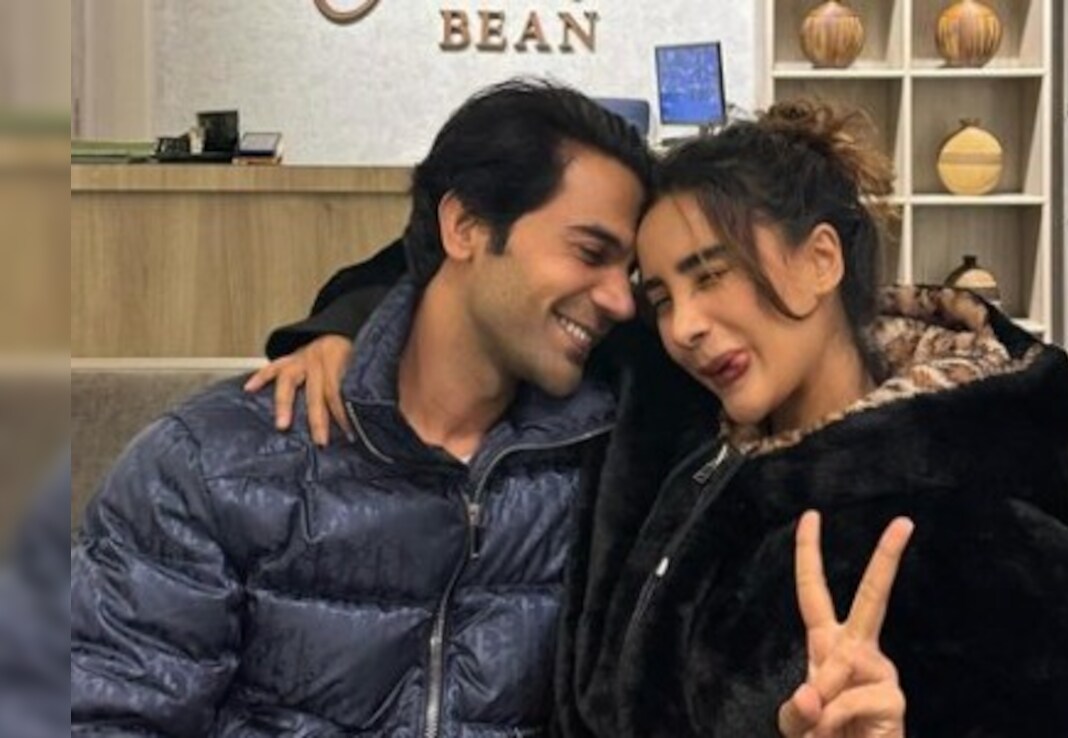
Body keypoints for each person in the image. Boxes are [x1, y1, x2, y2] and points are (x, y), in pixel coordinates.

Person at [261, 99, 1068, 736]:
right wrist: (344, 329)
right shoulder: (671, 405)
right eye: (660, 296)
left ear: (820, 259)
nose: (684, 326)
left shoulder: (966, 506)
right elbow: (490, 258)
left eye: (712, 275)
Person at [71, 79, 654, 736]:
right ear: (464, 226)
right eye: (590, 253)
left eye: (631, 274)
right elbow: (110, 715)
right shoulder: (212, 465)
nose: (620, 300)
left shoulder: (604, 475)